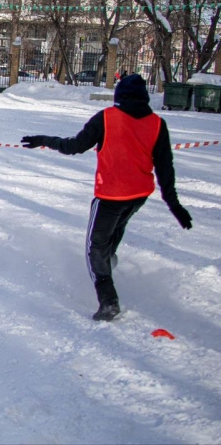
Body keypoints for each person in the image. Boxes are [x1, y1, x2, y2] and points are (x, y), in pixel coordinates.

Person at [20, 74, 192, 321]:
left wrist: (43, 140)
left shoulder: (107, 118)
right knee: (112, 235)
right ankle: (109, 262)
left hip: (110, 195)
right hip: (138, 195)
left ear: (119, 95)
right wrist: (174, 204)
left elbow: (74, 146)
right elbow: (166, 168)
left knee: (95, 248)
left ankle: (108, 300)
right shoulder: (157, 123)